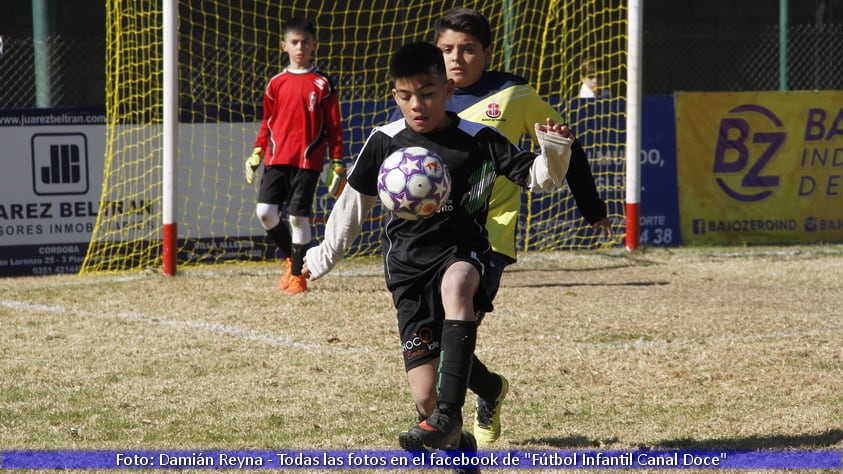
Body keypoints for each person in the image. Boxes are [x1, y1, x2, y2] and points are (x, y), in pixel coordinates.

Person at [303, 41, 576, 455]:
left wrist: (554, 151)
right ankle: (480, 404)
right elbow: (351, 207)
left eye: (428, 93)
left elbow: (539, 178)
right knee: (424, 397)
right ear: (394, 95)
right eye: (406, 96)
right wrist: (323, 256)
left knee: (459, 284)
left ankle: (449, 414)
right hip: (408, 268)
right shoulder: (384, 141)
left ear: (448, 91)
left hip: (463, 252)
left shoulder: (479, 138)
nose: (417, 104)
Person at [422, 7, 614, 446]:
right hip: (431, 237)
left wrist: (591, 207)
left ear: (487, 53)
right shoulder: (426, 95)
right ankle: (490, 389)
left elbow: (566, 145)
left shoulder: (515, 94)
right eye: (447, 49)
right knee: (435, 338)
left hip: (491, 233)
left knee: (457, 326)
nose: (457, 58)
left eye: (468, 49)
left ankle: (457, 414)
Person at [245, 17, 346, 295]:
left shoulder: (323, 83)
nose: (300, 47)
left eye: (305, 42)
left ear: (314, 45)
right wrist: (257, 152)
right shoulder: (275, 83)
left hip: (308, 162)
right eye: (294, 42)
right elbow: (267, 121)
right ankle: (292, 257)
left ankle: (297, 276)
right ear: (284, 46)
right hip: (277, 159)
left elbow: (334, 126)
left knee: (298, 218)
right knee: (265, 213)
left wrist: (337, 161)